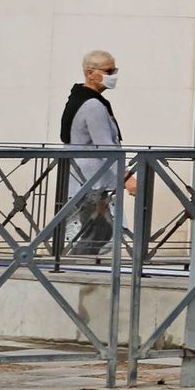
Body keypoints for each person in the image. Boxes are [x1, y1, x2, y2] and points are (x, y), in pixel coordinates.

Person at [59, 50, 135, 256]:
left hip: (85, 182)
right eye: (109, 70)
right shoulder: (92, 105)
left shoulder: (80, 99)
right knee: (96, 239)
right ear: (91, 73)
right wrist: (126, 176)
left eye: (115, 70)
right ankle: (79, 279)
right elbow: (105, 146)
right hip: (92, 183)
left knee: (98, 238)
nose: (114, 75)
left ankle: (81, 277)